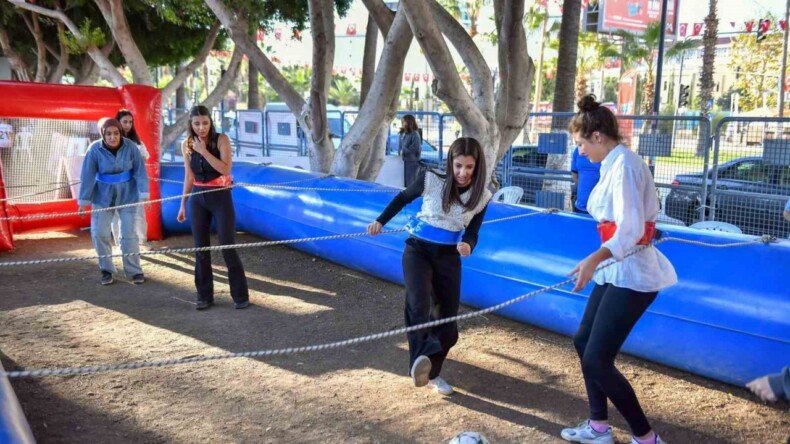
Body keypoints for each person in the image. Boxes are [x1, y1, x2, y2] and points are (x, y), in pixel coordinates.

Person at [560, 95, 677, 444]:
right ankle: (598, 427)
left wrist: (593, 259)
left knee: (597, 358)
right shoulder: (614, 163)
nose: (580, 151)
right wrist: (600, 260)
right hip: (616, 267)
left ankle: (647, 438)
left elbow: (627, 228)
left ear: (598, 136)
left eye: (581, 143)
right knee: (584, 341)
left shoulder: (624, 164)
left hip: (633, 272)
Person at [367, 137, 491, 396]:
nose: (462, 173)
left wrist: (468, 245)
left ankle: (431, 372)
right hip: (418, 250)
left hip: (448, 256)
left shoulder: (482, 196)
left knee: (448, 323)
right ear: (450, 163)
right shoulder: (431, 180)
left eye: (469, 167)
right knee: (418, 304)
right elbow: (402, 198)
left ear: (477, 167)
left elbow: (473, 232)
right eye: (458, 166)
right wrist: (380, 221)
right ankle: (419, 363)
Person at [177, 105, 249, 311]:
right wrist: (183, 204)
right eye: (197, 123)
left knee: (227, 244)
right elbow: (189, 176)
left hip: (221, 196)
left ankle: (240, 295)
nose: (202, 127)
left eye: (205, 123)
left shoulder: (221, 140)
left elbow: (226, 168)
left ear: (211, 122)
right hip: (198, 198)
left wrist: (204, 152)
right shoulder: (187, 144)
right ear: (191, 124)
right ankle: (204, 296)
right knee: (200, 248)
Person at [78, 118, 149, 286]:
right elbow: (87, 175)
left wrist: (144, 194)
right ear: (102, 134)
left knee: (129, 234)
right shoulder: (94, 149)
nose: (112, 137)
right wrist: (83, 200)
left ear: (121, 133)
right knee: (99, 232)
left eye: (116, 133)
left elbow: (140, 170)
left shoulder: (131, 146)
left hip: (128, 194)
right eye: (108, 134)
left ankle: (134, 271)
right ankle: (106, 270)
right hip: (102, 195)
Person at [111, 109, 150, 247]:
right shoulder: (111, 140)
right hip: (115, 184)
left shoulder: (137, 142)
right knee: (116, 215)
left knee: (138, 213)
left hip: (134, 183)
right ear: (118, 123)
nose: (127, 125)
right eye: (125, 122)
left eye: (130, 122)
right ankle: (120, 243)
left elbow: (144, 158)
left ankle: (141, 241)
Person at [570, 145, 601, 214]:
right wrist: (583, 188)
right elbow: (574, 174)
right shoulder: (577, 151)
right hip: (580, 205)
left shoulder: (603, 151)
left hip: (599, 207)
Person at [400, 114, 422, 187]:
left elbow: (415, 148)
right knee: (406, 182)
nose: (402, 123)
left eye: (404, 122)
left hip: (412, 161)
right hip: (406, 160)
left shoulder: (415, 134)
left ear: (409, 122)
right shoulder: (405, 133)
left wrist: (404, 150)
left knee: (410, 182)